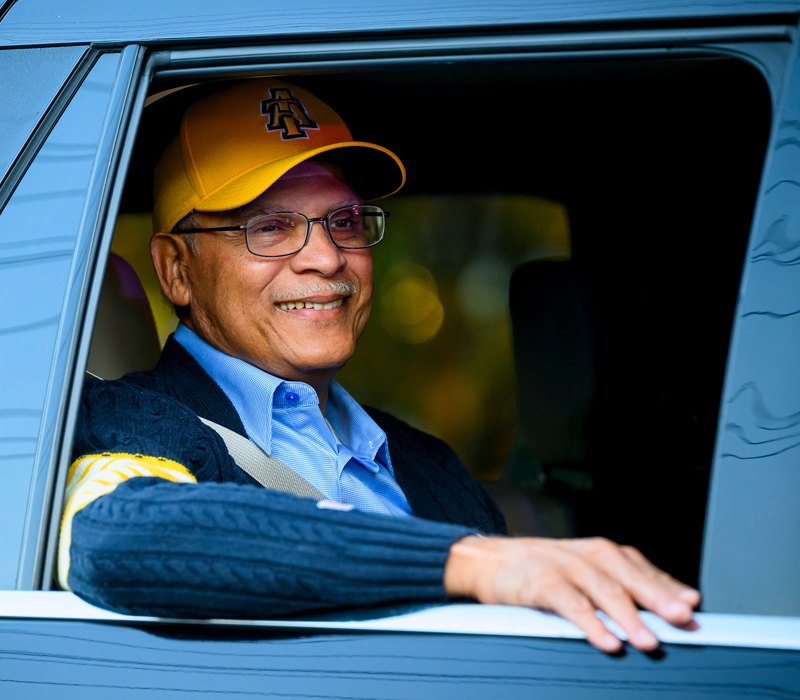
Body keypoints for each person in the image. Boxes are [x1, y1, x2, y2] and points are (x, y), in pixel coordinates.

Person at [59, 79, 699, 654]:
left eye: (344, 221)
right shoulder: (126, 423)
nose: (327, 259)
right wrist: (468, 562)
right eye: (272, 227)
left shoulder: (426, 460)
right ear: (176, 268)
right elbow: (116, 538)